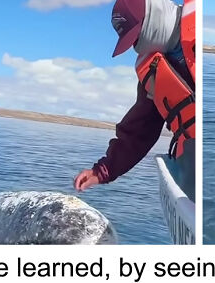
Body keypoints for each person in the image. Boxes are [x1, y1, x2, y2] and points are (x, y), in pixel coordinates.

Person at [73, 0, 196, 199]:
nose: (137, 45)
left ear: (153, 20)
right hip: (192, 168)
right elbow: (139, 131)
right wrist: (102, 171)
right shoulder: (155, 73)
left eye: (137, 36)